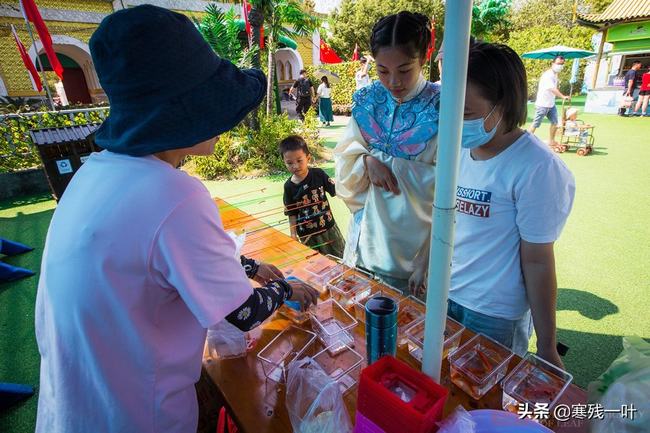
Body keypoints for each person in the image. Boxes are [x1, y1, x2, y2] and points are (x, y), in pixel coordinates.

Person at [34, 6, 319, 433]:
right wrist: (285, 287)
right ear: (184, 112)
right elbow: (242, 312)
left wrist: (250, 266)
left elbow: (154, 264)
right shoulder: (175, 196)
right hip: (137, 417)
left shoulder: (92, 173)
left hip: (71, 411)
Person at [433, 41, 574, 366]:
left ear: (503, 105)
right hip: (447, 295)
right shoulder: (457, 150)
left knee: (488, 399)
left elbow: (538, 261)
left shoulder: (537, 168)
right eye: (450, 110)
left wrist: (548, 345)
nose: (455, 122)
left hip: (495, 315)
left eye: (466, 113)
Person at [335, 11, 438, 290]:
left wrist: (387, 163)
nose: (393, 81)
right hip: (365, 237)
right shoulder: (368, 100)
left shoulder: (444, 107)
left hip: (416, 251)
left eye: (405, 70)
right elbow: (345, 157)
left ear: (424, 59)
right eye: (382, 70)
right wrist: (366, 161)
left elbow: (452, 185)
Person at [281, 135, 345, 258]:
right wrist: (293, 234)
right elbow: (291, 213)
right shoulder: (288, 187)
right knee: (317, 262)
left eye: (299, 160)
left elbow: (336, 190)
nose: (295, 166)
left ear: (308, 158)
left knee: (340, 256)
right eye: (289, 163)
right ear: (284, 162)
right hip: (307, 235)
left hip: (328, 228)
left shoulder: (318, 174)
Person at [529, 56, 569, 146]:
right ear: (553, 63)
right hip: (542, 105)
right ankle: (526, 141)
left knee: (555, 122)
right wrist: (563, 96)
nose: (560, 66)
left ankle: (551, 140)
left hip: (551, 104)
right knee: (535, 124)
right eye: (558, 63)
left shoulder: (555, 75)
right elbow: (552, 89)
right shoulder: (548, 75)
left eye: (562, 64)